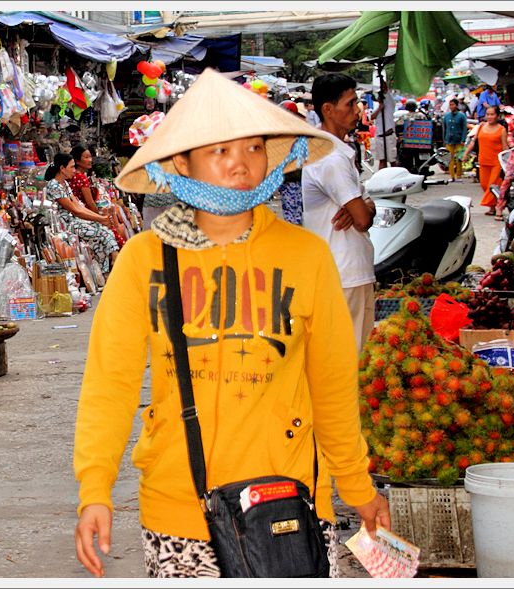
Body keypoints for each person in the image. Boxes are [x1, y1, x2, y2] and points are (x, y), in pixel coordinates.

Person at [73, 68, 390, 579]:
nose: (240, 165)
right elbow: (111, 382)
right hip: (181, 506)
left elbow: (331, 384)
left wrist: (357, 487)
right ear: (182, 162)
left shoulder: (306, 257)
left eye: (253, 148)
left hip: (290, 499)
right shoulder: (144, 259)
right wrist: (95, 488)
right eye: (220, 151)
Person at [302, 73, 377, 353]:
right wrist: (361, 209)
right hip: (343, 274)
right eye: (350, 104)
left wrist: (362, 206)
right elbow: (363, 218)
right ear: (328, 110)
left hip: (346, 271)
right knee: (348, 362)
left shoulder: (338, 153)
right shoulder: (330, 158)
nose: (357, 110)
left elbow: (366, 206)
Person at [44, 153, 119, 274]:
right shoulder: (54, 186)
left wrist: (100, 218)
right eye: (72, 167)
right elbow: (75, 210)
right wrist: (100, 219)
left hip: (76, 221)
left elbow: (79, 206)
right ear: (62, 169)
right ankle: (112, 264)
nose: (74, 170)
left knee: (103, 234)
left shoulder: (65, 184)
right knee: (103, 232)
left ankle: (103, 272)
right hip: (67, 224)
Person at [69, 144, 128, 246]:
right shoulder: (81, 178)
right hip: (87, 214)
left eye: (90, 157)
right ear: (77, 161)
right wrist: (99, 217)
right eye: (86, 157)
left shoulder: (74, 175)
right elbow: (90, 202)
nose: (90, 160)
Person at [462, 106, 508, 217]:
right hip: (483, 161)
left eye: (492, 114)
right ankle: (492, 207)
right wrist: (466, 154)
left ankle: (498, 209)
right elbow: (473, 142)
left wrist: (508, 162)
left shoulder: (502, 129)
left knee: (493, 185)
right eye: (488, 114)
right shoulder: (481, 126)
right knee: (484, 185)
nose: (490, 117)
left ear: (497, 116)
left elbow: (505, 147)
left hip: (497, 162)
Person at [278, 100, 307, 225]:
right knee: (295, 211)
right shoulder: (297, 130)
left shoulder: (289, 132)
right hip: (293, 177)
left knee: (293, 213)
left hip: (292, 176)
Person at [370, 80, 396, 169]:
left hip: (388, 134)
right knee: (382, 160)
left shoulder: (389, 101)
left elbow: (385, 89)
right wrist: (380, 107)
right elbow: (372, 117)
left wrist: (381, 79)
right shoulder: (378, 107)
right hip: (380, 135)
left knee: (393, 160)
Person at [442, 98, 469, 181]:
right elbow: (444, 129)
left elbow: (464, 128)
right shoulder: (446, 116)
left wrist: (463, 140)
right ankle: (452, 176)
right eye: (450, 105)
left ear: (457, 105)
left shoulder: (462, 116)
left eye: (453, 104)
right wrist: (444, 140)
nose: (451, 106)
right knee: (449, 159)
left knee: (459, 159)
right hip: (448, 140)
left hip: (459, 140)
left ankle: (459, 176)